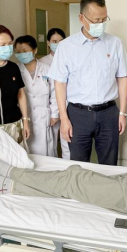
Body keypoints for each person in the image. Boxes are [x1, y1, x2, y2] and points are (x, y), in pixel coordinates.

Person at [48, 0, 127, 166]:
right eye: (96, 20)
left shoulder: (115, 43)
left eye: (104, 19)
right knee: (79, 165)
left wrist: (122, 113)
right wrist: (64, 119)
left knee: (109, 164)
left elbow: (123, 77)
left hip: (108, 113)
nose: (100, 24)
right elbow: (60, 84)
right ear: (81, 18)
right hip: (77, 114)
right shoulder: (66, 47)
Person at [15, 35, 59, 157]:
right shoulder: (15, 70)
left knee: (46, 152)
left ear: (35, 50)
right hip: (24, 117)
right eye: (18, 52)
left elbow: (55, 93)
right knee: (26, 153)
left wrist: (54, 114)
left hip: (44, 117)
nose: (22, 54)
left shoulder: (47, 69)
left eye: (25, 51)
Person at [40, 28, 70, 159]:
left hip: (68, 105)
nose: (58, 44)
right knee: (49, 142)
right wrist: (54, 112)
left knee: (67, 140)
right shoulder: (42, 63)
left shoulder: (70, 58)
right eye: (54, 41)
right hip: (49, 107)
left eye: (61, 41)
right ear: (48, 43)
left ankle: (68, 166)